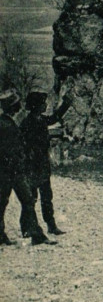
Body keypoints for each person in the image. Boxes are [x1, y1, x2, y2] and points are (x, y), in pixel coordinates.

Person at [0, 90, 52, 246]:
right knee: (25, 201)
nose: (19, 106)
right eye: (16, 104)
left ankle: (33, 234)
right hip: (12, 171)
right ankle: (35, 234)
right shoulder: (6, 125)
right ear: (11, 106)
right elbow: (10, 150)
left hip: (9, 171)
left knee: (8, 202)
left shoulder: (7, 122)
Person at [20, 90, 70, 237]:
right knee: (31, 198)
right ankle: (26, 227)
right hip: (32, 165)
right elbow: (23, 145)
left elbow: (54, 118)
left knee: (47, 196)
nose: (45, 105)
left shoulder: (40, 119)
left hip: (42, 164)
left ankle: (51, 225)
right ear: (36, 106)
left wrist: (65, 105)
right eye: (43, 103)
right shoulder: (27, 123)